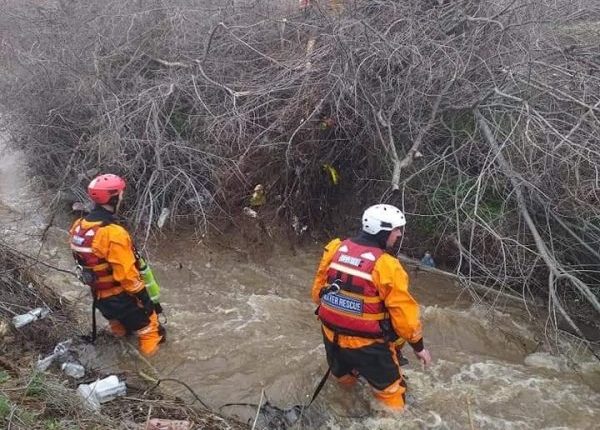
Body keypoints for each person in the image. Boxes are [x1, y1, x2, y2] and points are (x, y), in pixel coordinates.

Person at [311, 204, 431, 410]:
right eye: (396, 230)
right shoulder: (387, 265)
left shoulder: (335, 248)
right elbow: (406, 320)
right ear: (382, 231)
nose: (399, 234)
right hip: (368, 347)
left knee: (344, 386)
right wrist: (419, 348)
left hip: (332, 339)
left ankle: (344, 402)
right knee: (393, 396)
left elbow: (316, 295)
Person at [69, 174, 165, 356]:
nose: (122, 197)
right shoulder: (113, 233)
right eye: (120, 195)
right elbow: (127, 276)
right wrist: (146, 301)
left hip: (100, 298)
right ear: (113, 198)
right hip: (121, 298)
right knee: (149, 331)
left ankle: (124, 361)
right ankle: (154, 369)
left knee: (120, 329)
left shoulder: (79, 226)